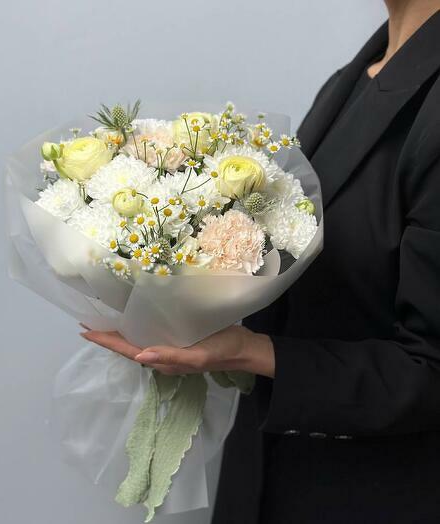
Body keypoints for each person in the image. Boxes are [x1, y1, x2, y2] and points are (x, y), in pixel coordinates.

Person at [80, 1, 440, 522]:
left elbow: (430, 371)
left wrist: (250, 353)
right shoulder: (357, 75)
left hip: (378, 493)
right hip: (265, 476)